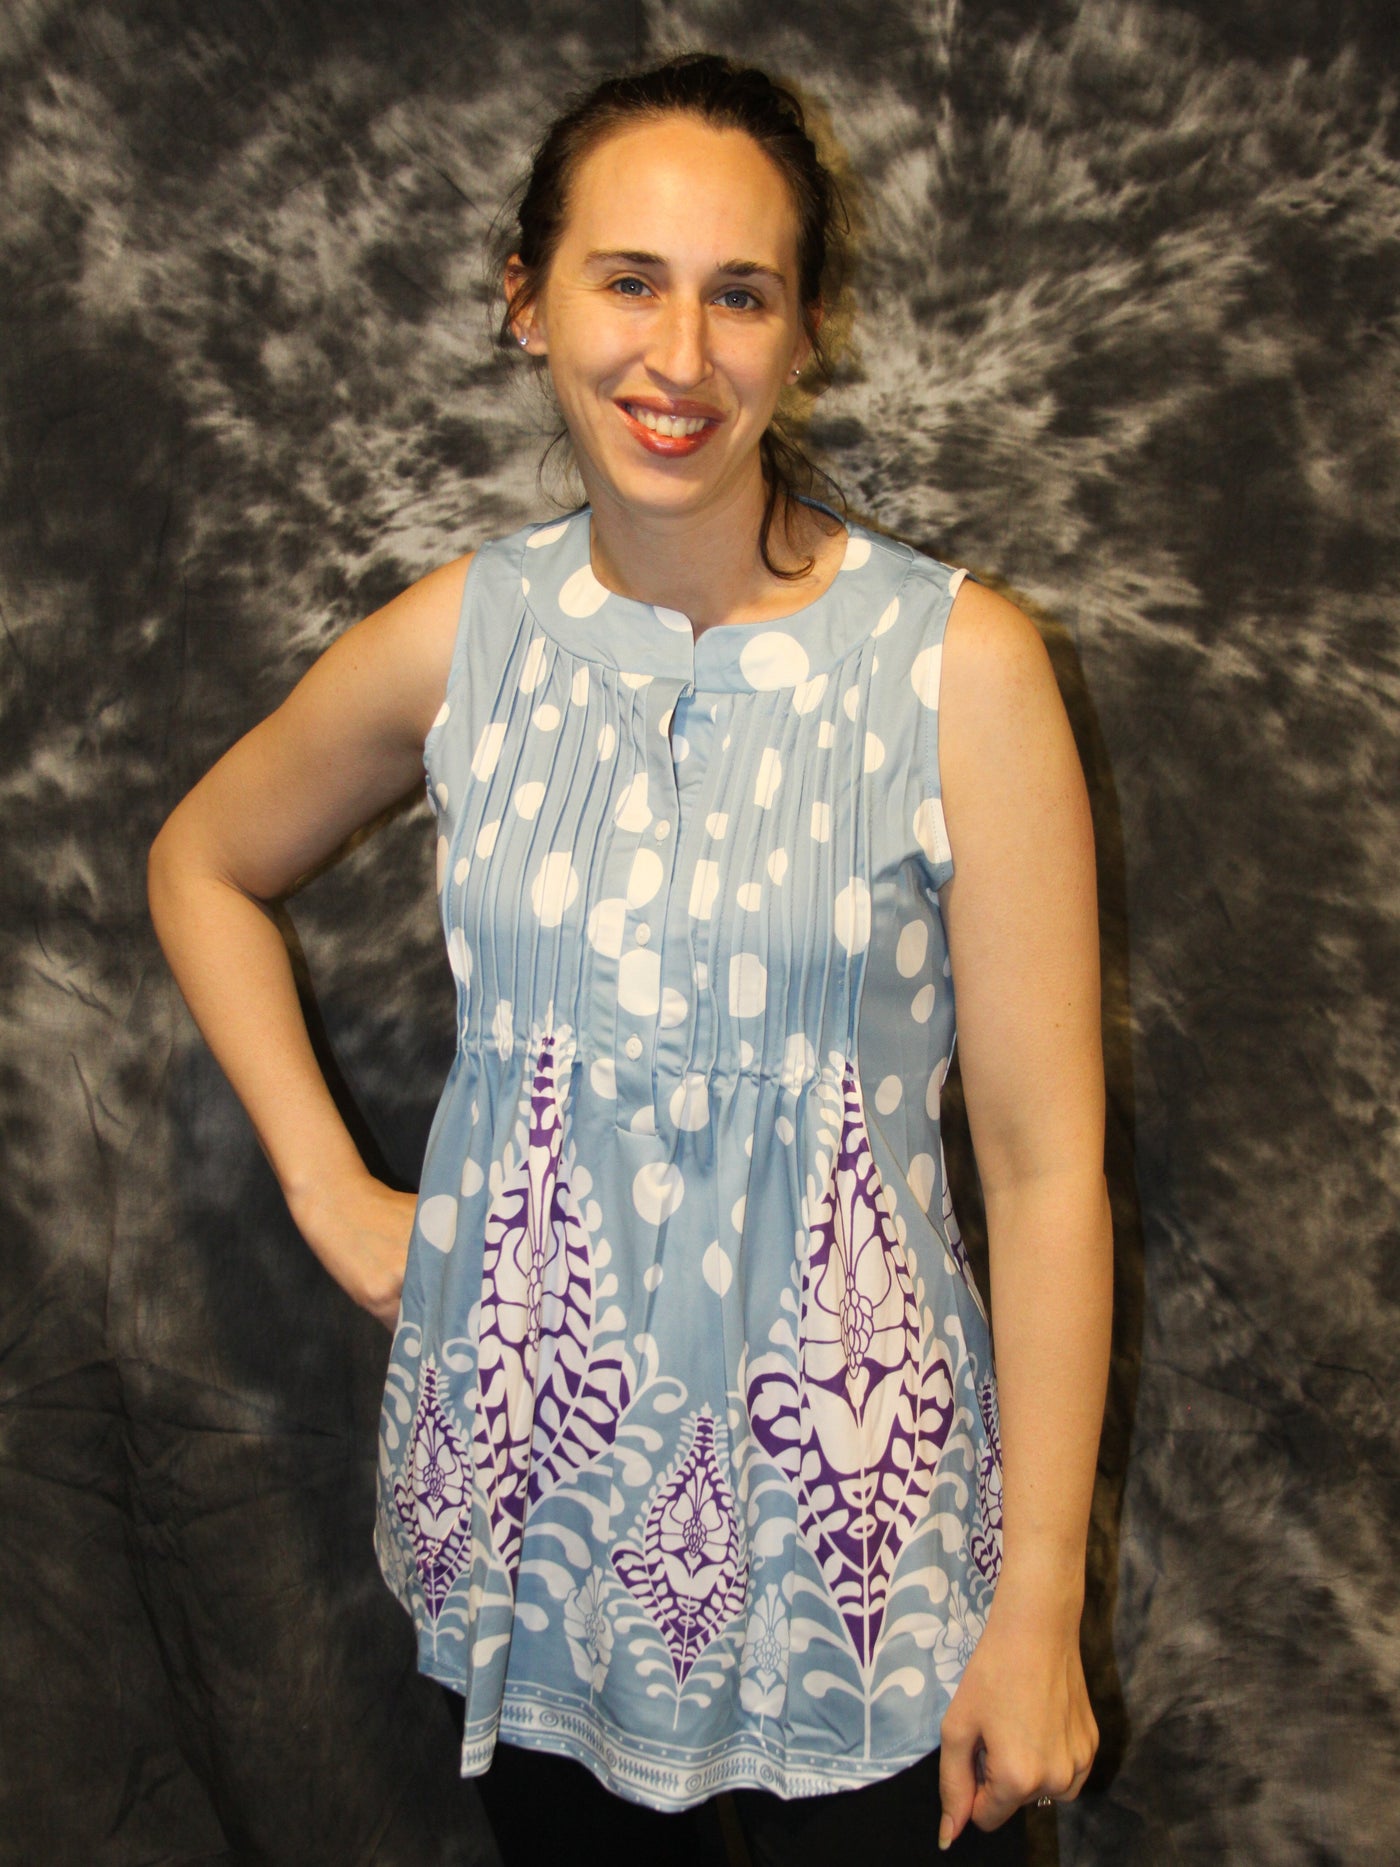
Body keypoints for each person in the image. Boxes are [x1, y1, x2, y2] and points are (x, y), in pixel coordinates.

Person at [147, 51, 1111, 1866]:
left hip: (868, 1550)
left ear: (806, 327)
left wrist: (1038, 1602)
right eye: (629, 280)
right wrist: (332, 1193)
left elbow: (1050, 1171)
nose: (681, 356)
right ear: (527, 300)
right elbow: (201, 859)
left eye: (739, 292)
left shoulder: (958, 669)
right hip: (541, 1511)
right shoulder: (463, 639)